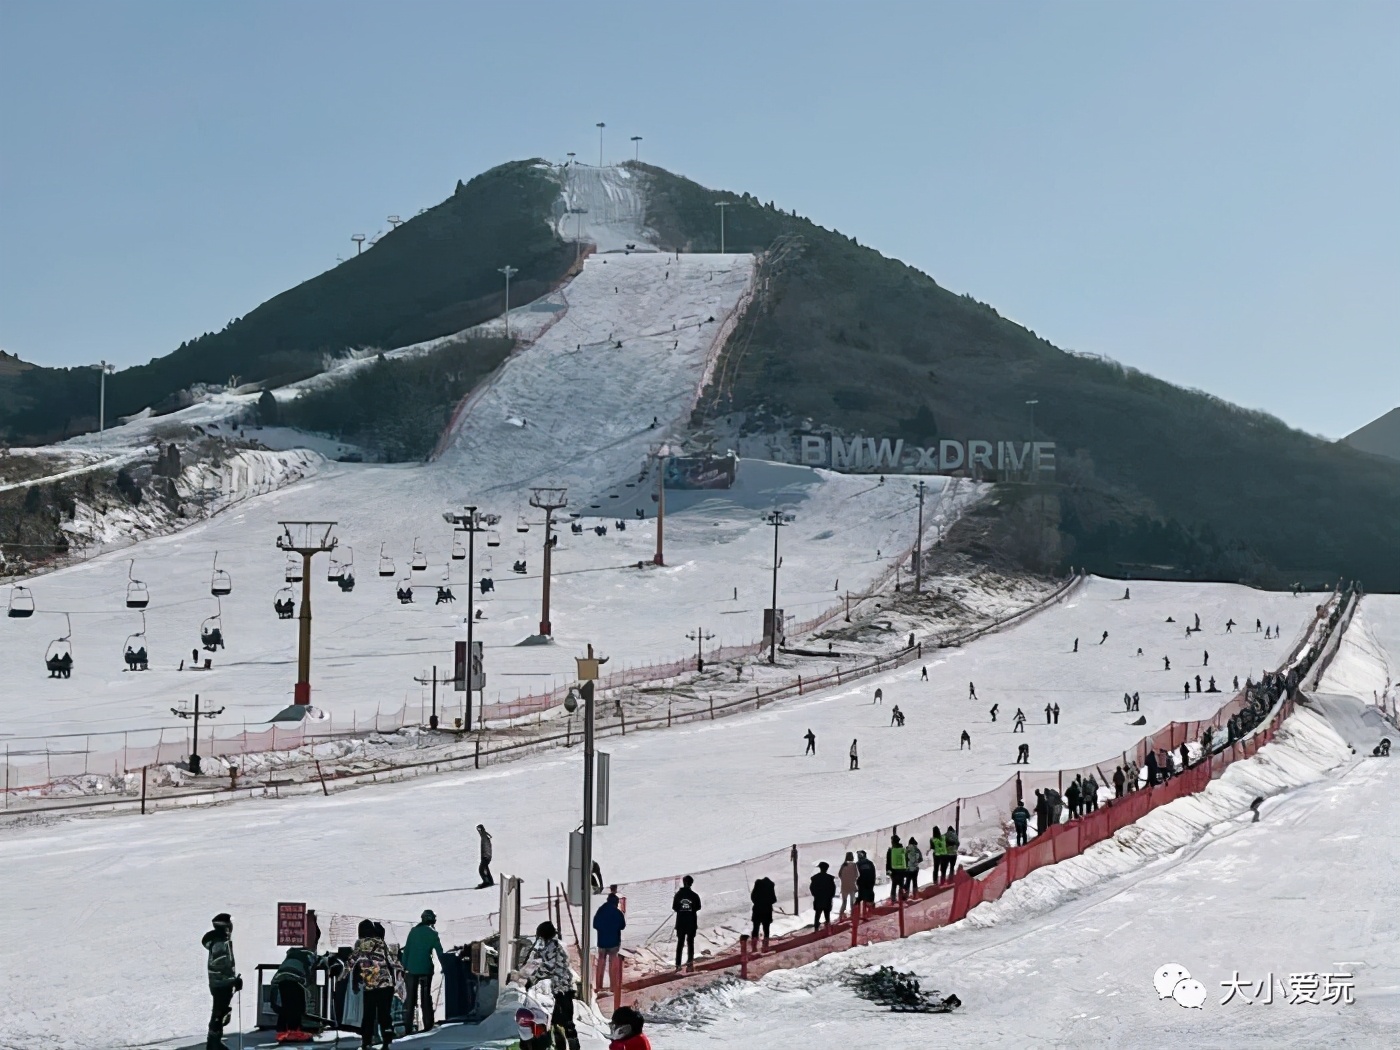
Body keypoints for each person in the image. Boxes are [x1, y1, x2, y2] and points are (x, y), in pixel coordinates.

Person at [519, 921, 579, 1050]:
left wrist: (532, 977)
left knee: (561, 1021)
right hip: (561, 989)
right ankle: (564, 1044)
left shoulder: (553, 946)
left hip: (560, 989)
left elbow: (548, 967)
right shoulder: (554, 945)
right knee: (559, 1021)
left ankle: (570, 1045)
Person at [349, 919, 396, 1050]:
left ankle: (366, 1041)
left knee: (369, 1014)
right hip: (386, 984)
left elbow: (356, 964)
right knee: (384, 1013)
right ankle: (387, 1038)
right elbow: (390, 961)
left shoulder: (360, 943)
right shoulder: (380, 942)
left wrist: (354, 982)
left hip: (370, 986)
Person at [271, 944, 326, 1042]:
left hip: (280, 977)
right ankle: (294, 1032)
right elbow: (319, 964)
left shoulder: (292, 954)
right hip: (295, 978)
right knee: (298, 1006)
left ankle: (282, 1032)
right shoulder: (311, 956)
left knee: (286, 1006)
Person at [202, 913, 241, 1050]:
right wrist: (232, 981)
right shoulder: (219, 943)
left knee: (222, 1011)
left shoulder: (222, 941)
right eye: (230, 924)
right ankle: (213, 1042)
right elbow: (219, 968)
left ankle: (214, 1041)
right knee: (219, 1012)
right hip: (221, 984)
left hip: (221, 983)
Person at [402, 909, 445, 1033]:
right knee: (426, 997)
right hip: (426, 969)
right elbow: (440, 952)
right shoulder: (433, 933)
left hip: (411, 970)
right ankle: (428, 1025)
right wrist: (445, 966)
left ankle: (408, 1026)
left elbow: (407, 951)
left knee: (410, 998)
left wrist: (404, 967)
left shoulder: (413, 931)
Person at [592, 893, 627, 993]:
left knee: (601, 963)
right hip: (614, 942)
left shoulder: (601, 910)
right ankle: (613, 987)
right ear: (616, 903)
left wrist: (603, 929)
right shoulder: (617, 912)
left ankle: (599, 986)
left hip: (602, 941)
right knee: (613, 964)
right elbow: (622, 926)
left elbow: (595, 924)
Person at [672, 876, 701, 972]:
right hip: (691, 922)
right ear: (691, 883)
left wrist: (682, 911)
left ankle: (678, 964)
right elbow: (698, 907)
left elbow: (675, 907)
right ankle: (689, 963)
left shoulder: (678, 895)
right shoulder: (694, 895)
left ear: (683, 882)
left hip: (680, 922)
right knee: (690, 943)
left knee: (680, 943)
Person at [750, 876, 778, 949]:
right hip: (767, 910)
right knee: (766, 929)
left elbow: (753, 897)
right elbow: (774, 899)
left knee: (755, 928)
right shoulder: (770, 886)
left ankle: (754, 946)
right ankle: (765, 945)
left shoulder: (757, 885)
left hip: (757, 910)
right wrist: (767, 902)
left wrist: (758, 902)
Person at [810, 862, 836, 930]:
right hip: (827, 899)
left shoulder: (815, 878)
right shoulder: (830, 878)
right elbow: (833, 889)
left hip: (818, 899)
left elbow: (812, 888)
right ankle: (827, 928)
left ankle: (816, 928)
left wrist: (815, 894)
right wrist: (831, 896)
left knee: (817, 914)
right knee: (827, 914)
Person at [885, 835, 907, 900]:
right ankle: (902, 899)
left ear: (892, 841)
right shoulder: (903, 849)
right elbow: (906, 859)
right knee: (901, 884)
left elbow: (888, 861)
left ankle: (893, 899)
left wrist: (888, 871)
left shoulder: (890, 850)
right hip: (902, 870)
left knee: (894, 885)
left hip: (894, 870)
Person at [837, 852, 858, 919]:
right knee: (852, 902)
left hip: (844, 886)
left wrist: (844, 880)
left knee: (844, 902)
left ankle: (840, 916)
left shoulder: (843, 865)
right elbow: (857, 875)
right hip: (852, 886)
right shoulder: (854, 864)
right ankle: (853, 915)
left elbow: (839, 875)